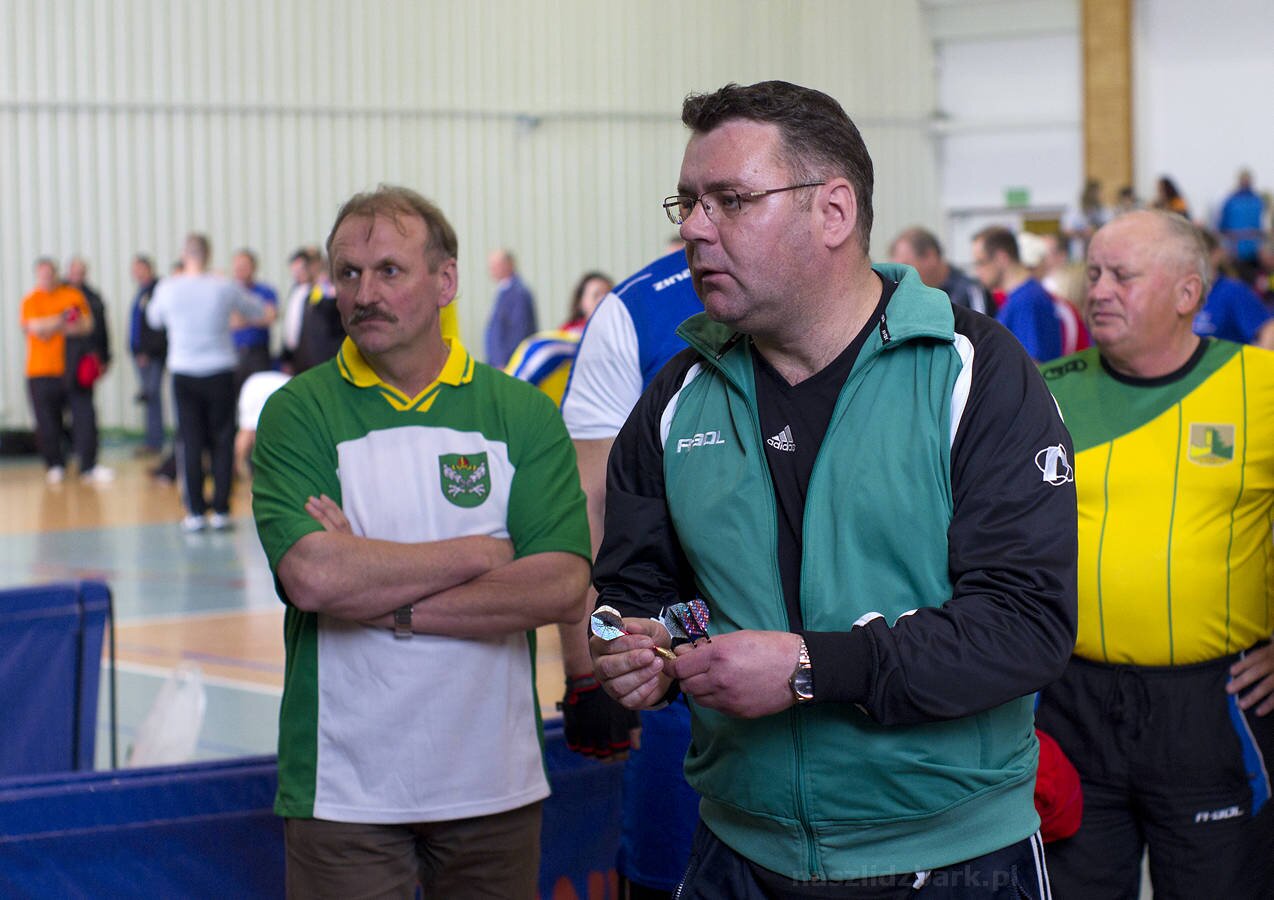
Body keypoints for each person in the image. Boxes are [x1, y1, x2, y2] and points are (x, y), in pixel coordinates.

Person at [590, 80, 1076, 898]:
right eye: (688, 203)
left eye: (730, 200)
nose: (695, 229)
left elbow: (1026, 625)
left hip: (952, 858)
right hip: (737, 853)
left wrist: (812, 667)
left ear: (834, 212)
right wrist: (635, 646)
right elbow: (638, 587)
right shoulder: (678, 396)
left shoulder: (974, 375)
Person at [250, 185, 590, 899]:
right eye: (348, 273)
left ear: (446, 281)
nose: (364, 293)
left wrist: (382, 596)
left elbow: (560, 584)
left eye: (389, 271)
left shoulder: (522, 413)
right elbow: (314, 577)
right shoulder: (297, 413)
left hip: (494, 786)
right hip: (343, 792)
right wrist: (481, 553)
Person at [1037, 209, 1274, 899]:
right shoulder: (1042, 390)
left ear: (1187, 293)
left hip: (1216, 707)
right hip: (1070, 702)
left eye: (1123, 275)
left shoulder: (1259, 388)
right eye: (1094, 273)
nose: (1099, 290)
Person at [557, 248, 705, 898]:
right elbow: (587, 503)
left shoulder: (869, 307)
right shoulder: (636, 311)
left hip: (831, 682)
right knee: (669, 875)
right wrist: (586, 667)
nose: (702, 221)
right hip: (675, 672)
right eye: (692, 203)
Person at [148, 233, 265, 532]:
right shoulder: (223, 286)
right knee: (223, 440)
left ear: (183, 254)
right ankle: (222, 510)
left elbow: (154, 320)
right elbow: (257, 310)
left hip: (184, 371)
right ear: (209, 254)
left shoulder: (168, 287)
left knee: (190, 440)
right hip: (220, 370)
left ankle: (196, 513)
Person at [20, 258, 94, 484]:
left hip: (70, 370)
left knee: (84, 417)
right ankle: (55, 465)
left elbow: (86, 325)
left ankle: (88, 465)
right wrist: (62, 319)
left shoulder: (71, 296)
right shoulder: (31, 300)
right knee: (47, 422)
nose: (46, 278)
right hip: (40, 371)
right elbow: (34, 328)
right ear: (37, 276)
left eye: (50, 274)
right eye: (42, 274)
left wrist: (49, 326)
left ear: (56, 274)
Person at [504, 270, 612, 405]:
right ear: (582, 302)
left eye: (609, 295)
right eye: (596, 295)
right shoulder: (562, 343)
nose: (603, 300)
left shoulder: (622, 342)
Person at [971, 225, 1064, 361]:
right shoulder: (1023, 296)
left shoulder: (1025, 300)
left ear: (1001, 258)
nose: (978, 271)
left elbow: (1031, 363)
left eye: (981, 262)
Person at [63, 256, 114, 482]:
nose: (77, 276)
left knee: (85, 412)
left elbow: (100, 328)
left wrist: (105, 357)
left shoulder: (93, 297)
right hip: (56, 364)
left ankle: (88, 463)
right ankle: (60, 461)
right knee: (54, 414)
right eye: (74, 271)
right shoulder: (58, 295)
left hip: (83, 362)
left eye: (81, 271)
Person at [1193, 229, 1274, 349]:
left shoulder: (1232, 291)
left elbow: (1269, 330)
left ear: (1216, 255)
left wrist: (1254, 360)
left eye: (1197, 255)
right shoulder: (1184, 293)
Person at [888, 226, 992, 314]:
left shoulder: (970, 292)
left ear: (930, 256)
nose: (900, 277)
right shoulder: (908, 299)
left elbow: (982, 330)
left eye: (906, 266)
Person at [128, 254, 167, 456]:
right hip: (140, 354)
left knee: (152, 396)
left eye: (140, 269)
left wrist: (147, 351)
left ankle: (154, 442)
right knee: (148, 396)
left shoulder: (156, 290)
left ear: (149, 268)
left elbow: (157, 327)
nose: (137, 273)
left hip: (151, 355)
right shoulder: (141, 291)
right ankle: (152, 439)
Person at [229, 249, 279, 393]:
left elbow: (270, 317)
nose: (240, 269)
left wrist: (242, 319)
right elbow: (229, 321)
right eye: (238, 266)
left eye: (244, 266)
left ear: (254, 267)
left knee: (261, 393)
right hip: (234, 353)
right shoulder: (228, 292)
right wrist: (257, 316)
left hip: (258, 354)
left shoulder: (266, 291)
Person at [484, 248, 537, 368]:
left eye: (496, 265)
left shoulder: (518, 293)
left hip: (509, 364)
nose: (492, 270)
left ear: (509, 265)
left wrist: (504, 361)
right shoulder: (504, 291)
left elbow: (518, 331)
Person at [1217, 168, 1265, 280]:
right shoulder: (1256, 200)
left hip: (1243, 251)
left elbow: (1221, 226)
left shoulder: (1232, 200)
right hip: (1243, 251)